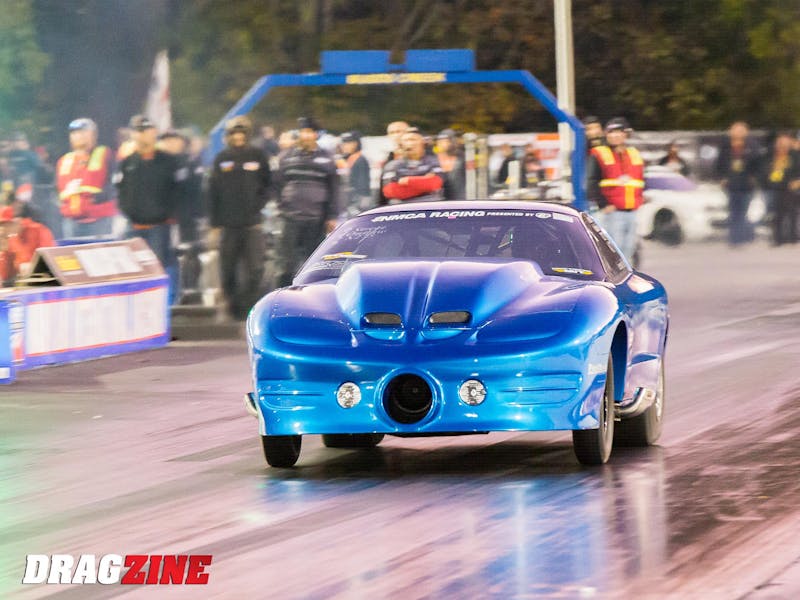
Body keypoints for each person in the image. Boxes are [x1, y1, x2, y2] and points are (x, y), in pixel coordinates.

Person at [115, 115, 186, 304]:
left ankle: (167, 303)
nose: (140, 135)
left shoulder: (168, 161)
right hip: (134, 226)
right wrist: (127, 212)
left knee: (161, 266)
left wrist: (169, 215)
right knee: (134, 268)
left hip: (160, 226)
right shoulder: (127, 162)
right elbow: (120, 191)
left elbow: (178, 191)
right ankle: (140, 304)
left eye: (144, 131)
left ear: (153, 133)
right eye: (137, 131)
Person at [206, 116, 271, 320]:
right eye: (234, 133)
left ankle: (249, 308)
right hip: (228, 225)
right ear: (229, 136)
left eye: (241, 133)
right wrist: (214, 224)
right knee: (227, 269)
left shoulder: (258, 156)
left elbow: (268, 185)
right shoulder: (221, 158)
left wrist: (259, 205)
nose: (238, 137)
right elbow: (212, 192)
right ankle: (232, 307)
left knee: (255, 269)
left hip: (252, 224)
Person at [273, 117, 339, 288]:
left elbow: (334, 188)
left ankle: (313, 295)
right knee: (286, 264)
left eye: (309, 132)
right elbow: (277, 184)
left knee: (313, 265)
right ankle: (282, 295)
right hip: (290, 219)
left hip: (316, 220)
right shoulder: (286, 157)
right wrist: (281, 207)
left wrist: (332, 216)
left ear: (316, 135)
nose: (306, 136)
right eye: (303, 132)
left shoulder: (327, 158)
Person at [586, 117, 646, 262]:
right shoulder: (599, 153)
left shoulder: (633, 154)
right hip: (612, 211)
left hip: (632, 210)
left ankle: (627, 275)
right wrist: (603, 204)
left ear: (626, 134)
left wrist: (641, 199)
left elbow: (640, 180)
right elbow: (591, 181)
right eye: (611, 132)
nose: (614, 136)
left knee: (629, 249)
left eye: (618, 132)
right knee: (613, 252)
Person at [55, 118, 117, 237]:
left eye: (83, 132)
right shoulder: (63, 161)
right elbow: (57, 189)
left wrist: (99, 197)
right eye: (75, 133)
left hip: (99, 220)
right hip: (71, 221)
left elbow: (116, 182)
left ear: (94, 134)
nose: (79, 136)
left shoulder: (105, 154)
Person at [714, 121, 761, 246]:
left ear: (746, 132)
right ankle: (734, 238)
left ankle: (742, 237)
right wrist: (721, 178)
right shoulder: (725, 147)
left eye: (741, 130)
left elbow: (759, 164)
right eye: (735, 130)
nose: (738, 133)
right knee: (733, 212)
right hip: (731, 185)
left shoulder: (753, 147)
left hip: (747, 185)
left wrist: (754, 177)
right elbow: (719, 165)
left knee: (743, 212)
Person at [381, 128, 445, 203]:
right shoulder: (392, 165)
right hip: (403, 207)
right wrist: (424, 181)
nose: (410, 143)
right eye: (406, 140)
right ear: (401, 144)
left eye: (413, 139)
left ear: (423, 142)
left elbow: (435, 183)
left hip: (431, 204)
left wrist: (409, 181)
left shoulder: (434, 161)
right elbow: (390, 191)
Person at [761, 131, 800, 245]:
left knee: (792, 213)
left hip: (791, 186)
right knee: (778, 214)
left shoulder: (795, 155)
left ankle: (792, 237)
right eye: (780, 142)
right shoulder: (771, 155)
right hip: (775, 187)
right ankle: (778, 238)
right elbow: (765, 169)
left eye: (785, 142)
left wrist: (798, 180)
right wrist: (768, 178)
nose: (783, 144)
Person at [0, 203, 55, 285]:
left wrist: (32, 266)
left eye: (5, 224)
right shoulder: (8, 238)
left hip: (45, 280)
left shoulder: (38, 230)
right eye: (1, 225)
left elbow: (49, 260)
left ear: (17, 221)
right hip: (22, 283)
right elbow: (6, 275)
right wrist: (3, 252)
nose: (3, 229)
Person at [337, 131, 372, 216]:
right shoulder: (345, 159)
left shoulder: (360, 159)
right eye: (343, 143)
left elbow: (362, 184)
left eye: (349, 143)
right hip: (348, 200)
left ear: (357, 144)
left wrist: (360, 201)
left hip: (358, 200)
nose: (345, 146)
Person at [376, 120, 409, 206]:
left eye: (399, 131)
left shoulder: (419, 155)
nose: (396, 135)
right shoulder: (389, 158)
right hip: (392, 205)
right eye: (392, 133)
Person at [435, 129, 465, 200]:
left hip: (459, 197)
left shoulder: (461, 158)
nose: (442, 144)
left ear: (452, 142)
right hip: (439, 199)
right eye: (440, 141)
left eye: (446, 141)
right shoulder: (433, 159)